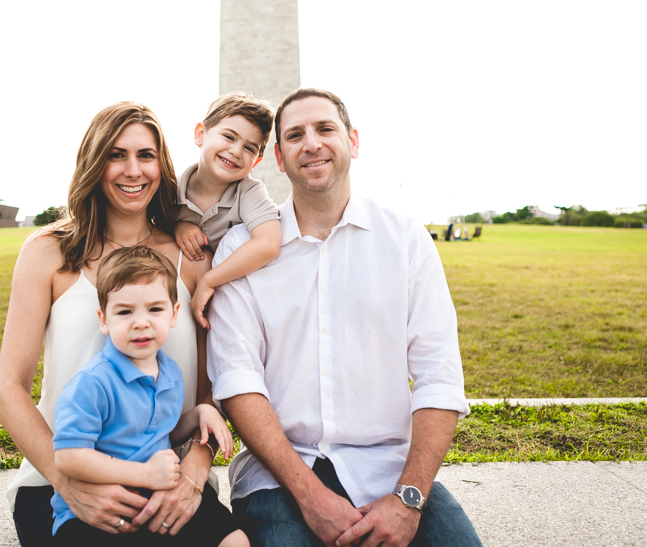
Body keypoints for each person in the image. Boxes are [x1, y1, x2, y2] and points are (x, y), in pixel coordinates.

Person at [207, 88, 483, 547]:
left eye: (325, 129)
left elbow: (439, 376)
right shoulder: (241, 251)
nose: (311, 143)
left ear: (354, 141)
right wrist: (310, 495)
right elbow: (238, 381)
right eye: (294, 135)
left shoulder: (406, 240)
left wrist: (409, 497)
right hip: (279, 477)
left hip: (390, 471)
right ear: (278, 157)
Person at [0, 102, 227, 545]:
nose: (132, 170)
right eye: (116, 155)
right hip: (58, 480)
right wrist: (70, 485)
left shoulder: (193, 262)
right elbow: (9, 389)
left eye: (146, 155)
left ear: (162, 165)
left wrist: (196, 469)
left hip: (167, 480)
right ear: (93, 163)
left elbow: (208, 393)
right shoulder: (47, 252)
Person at [51, 245, 249, 546]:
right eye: (125, 311)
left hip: (156, 494)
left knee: (235, 539)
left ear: (174, 314)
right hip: (99, 510)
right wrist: (145, 474)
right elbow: (68, 458)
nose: (141, 322)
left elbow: (165, 431)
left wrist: (197, 415)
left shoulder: (169, 373)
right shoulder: (93, 384)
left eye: (155, 309)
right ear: (104, 319)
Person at [173, 92, 282, 327]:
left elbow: (269, 243)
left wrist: (209, 280)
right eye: (229, 137)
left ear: (256, 162)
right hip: (174, 306)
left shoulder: (249, 191)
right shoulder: (169, 190)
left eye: (249, 148)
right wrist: (176, 226)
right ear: (200, 134)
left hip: (231, 309)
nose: (235, 151)